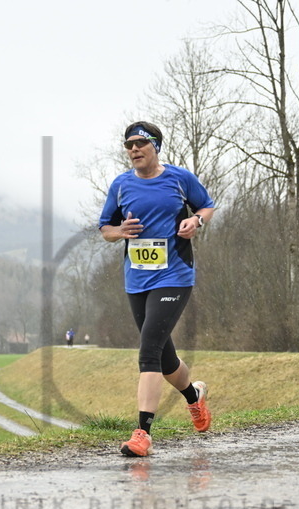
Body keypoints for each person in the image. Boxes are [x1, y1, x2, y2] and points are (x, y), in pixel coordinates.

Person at [98, 122, 215, 457]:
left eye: (140, 144)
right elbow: (105, 228)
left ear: (156, 147)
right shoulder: (121, 185)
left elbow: (206, 205)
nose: (134, 150)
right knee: (165, 360)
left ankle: (142, 434)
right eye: (129, 145)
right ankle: (194, 396)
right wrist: (120, 231)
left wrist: (196, 222)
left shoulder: (179, 179)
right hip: (137, 281)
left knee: (148, 349)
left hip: (175, 276)